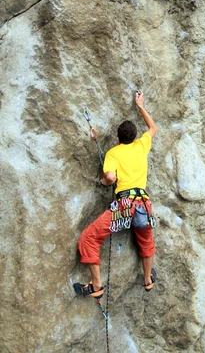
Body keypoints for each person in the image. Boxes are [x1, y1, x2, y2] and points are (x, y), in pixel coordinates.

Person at [73, 90, 158, 299]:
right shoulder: (141, 145)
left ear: (118, 137)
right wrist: (140, 105)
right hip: (144, 206)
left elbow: (110, 177)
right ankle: (147, 280)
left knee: (89, 238)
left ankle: (97, 286)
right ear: (135, 137)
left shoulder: (113, 153)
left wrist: (104, 181)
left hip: (125, 206)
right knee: (146, 241)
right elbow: (153, 127)